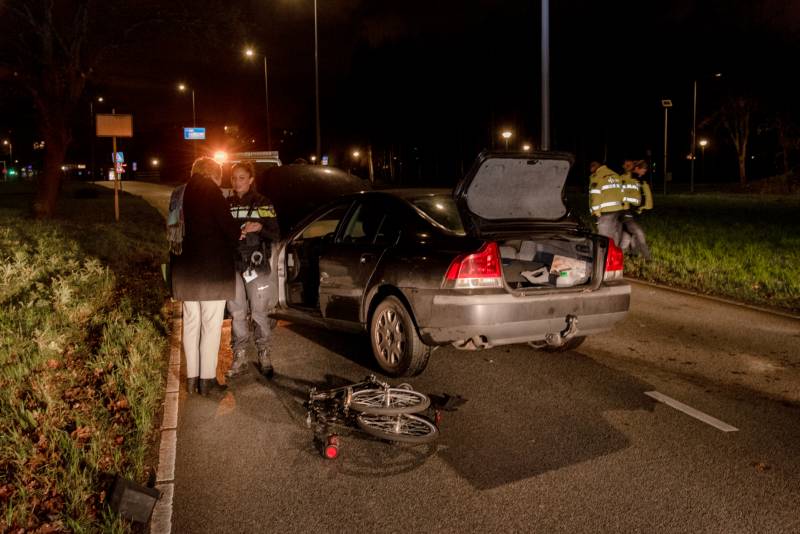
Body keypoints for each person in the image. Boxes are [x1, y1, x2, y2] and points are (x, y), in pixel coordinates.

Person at [170, 157, 261, 396]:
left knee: (191, 325)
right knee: (210, 326)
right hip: (211, 274)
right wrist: (241, 232)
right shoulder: (211, 191)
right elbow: (229, 229)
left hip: (184, 271)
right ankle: (207, 380)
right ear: (214, 174)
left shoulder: (179, 193)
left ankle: (192, 379)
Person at [225, 162, 280, 379]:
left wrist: (260, 227)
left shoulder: (263, 202)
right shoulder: (226, 204)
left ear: (250, 180)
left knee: (259, 311)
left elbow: (275, 234)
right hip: (232, 265)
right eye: (234, 178)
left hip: (256, 266)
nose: (237, 182)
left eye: (241, 178)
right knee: (237, 312)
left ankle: (264, 353)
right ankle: (239, 356)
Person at [619, 160, 653, 259]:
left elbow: (644, 196)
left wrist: (643, 207)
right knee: (638, 232)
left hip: (634, 212)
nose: (644, 173)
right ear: (636, 168)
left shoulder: (639, 180)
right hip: (625, 211)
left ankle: (626, 255)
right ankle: (647, 257)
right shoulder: (622, 179)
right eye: (643, 170)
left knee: (627, 236)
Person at [588, 160, 625, 244]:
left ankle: (604, 252)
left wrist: (596, 212)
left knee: (603, 238)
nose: (590, 170)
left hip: (605, 212)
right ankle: (615, 250)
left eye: (590, 167)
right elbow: (622, 192)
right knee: (615, 233)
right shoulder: (615, 175)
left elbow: (595, 194)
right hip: (618, 210)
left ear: (594, 166)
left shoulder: (597, 176)